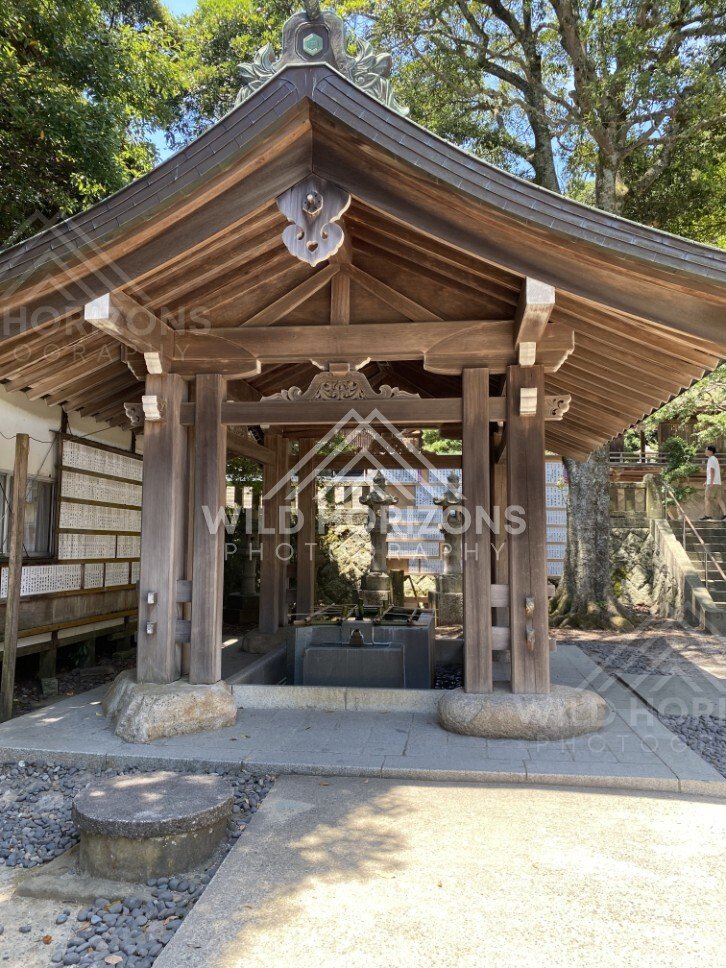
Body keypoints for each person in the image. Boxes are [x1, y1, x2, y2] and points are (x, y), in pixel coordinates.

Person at [703, 445, 726, 520]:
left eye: (706, 450)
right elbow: (713, 472)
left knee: (707, 498)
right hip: (718, 483)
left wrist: (711, 482)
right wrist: (707, 481)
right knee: (719, 499)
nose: (705, 451)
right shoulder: (715, 459)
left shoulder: (711, 459)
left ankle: (707, 515)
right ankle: (725, 515)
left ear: (710, 451)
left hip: (712, 483)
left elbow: (712, 471)